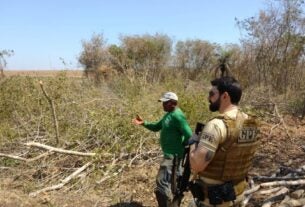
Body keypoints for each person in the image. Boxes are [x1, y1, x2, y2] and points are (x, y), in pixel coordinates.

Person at [189, 76, 260, 207]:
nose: (209, 98)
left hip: (214, 200)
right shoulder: (251, 123)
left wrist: (193, 143)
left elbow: (197, 166)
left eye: (212, 94)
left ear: (225, 96)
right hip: (238, 196)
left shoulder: (216, 125)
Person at [132, 92, 192, 207]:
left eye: (165, 102)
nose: (163, 105)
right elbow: (156, 127)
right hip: (169, 155)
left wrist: (182, 147)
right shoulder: (168, 115)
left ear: (173, 103)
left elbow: (189, 135)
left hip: (173, 157)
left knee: (162, 183)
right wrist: (143, 123)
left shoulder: (177, 116)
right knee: (173, 184)